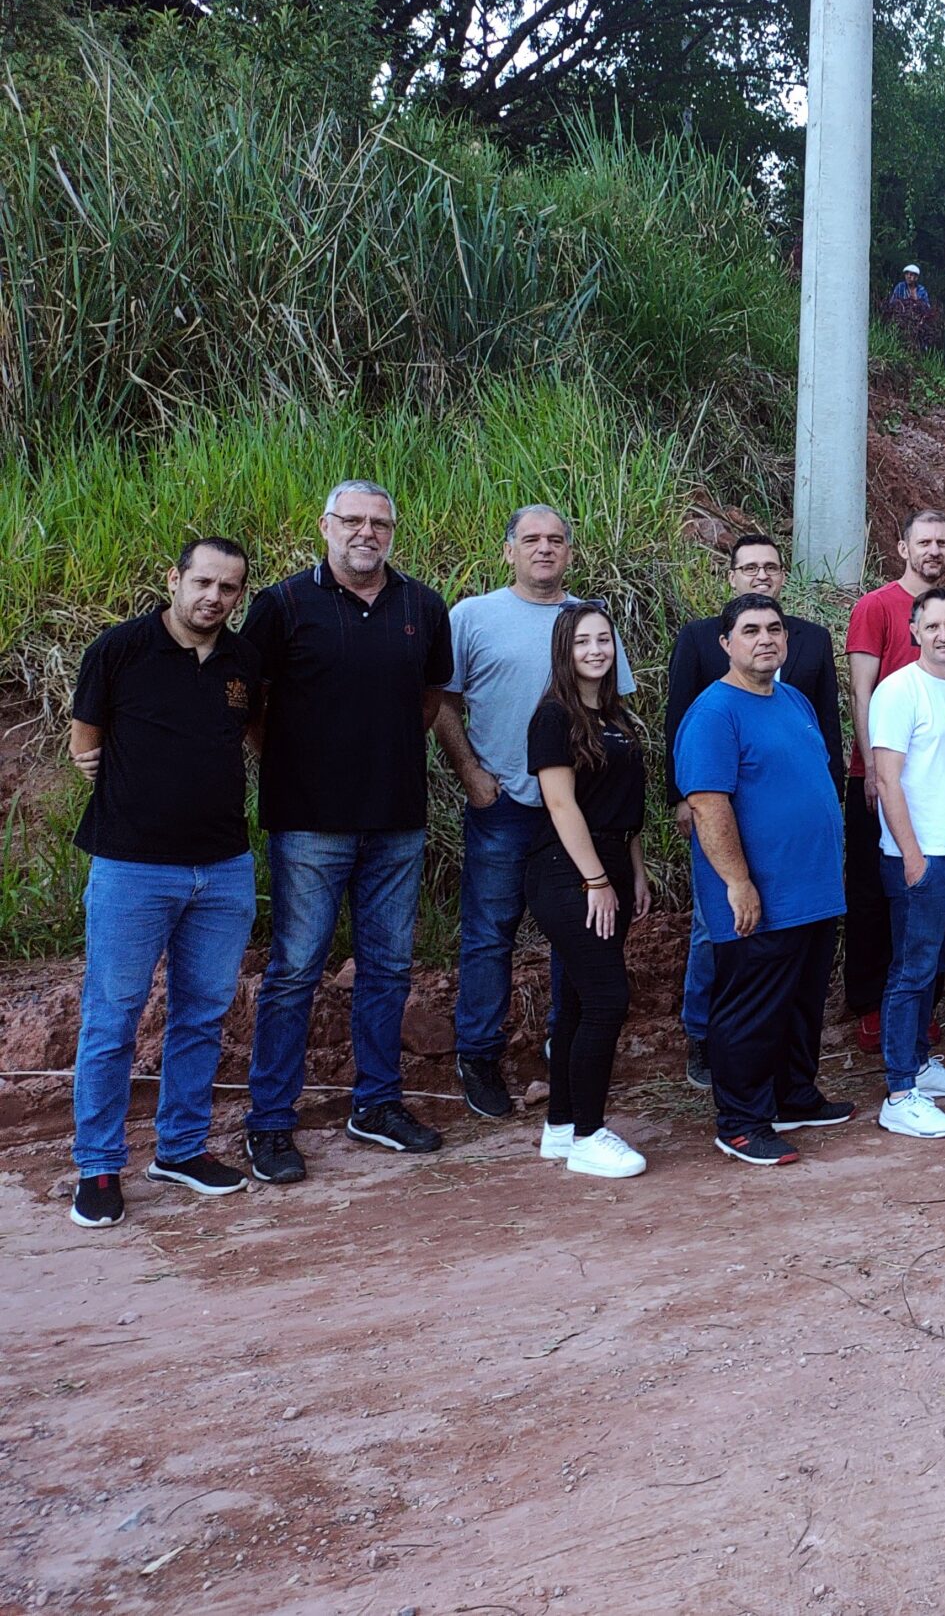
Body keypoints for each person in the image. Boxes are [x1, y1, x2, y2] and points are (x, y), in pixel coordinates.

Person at [242, 480, 453, 1180]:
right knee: (295, 970)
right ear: (326, 526)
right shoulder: (281, 605)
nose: (368, 533)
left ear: (394, 531)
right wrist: (303, 763)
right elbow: (250, 704)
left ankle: (378, 1106)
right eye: (354, 521)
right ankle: (270, 1123)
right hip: (308, 825)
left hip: (397, 820)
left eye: (381, 523)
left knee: (389, 969)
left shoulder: (422, 606)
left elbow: (432, 696)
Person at [65, 538, 260, 1228]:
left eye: (229, 588)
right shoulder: (119, 649)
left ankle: (179, 1148)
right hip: (131, 867)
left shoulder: (243, 663)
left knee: (202, 1015)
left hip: (224, 868)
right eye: (203, 582)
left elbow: (256, 737)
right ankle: (97, 1165)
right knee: (113, 1018)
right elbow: (83, 740)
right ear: (174, 578)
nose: (213, 597)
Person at [435, 503, 635, 1118]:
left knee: (573, 936)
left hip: (578, 814)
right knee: (489, 934)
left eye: (555, 540)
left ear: (569, 552)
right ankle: (479, 1055)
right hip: (505, 806)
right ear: (508, 550)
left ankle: (563, 1046)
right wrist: (471, 773)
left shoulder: (590, 623)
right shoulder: (472, 616)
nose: (544, 549)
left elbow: (617, 712)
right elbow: (441, 703)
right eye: (531, 539)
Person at [676, 594, 851, 1167]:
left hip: (813, 890)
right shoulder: (714, 712)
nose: (766, 639)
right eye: (750, 630)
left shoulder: (793, 698)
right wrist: (737, 882)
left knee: (801, 1004)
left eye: (775, 628)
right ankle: (743, 1122)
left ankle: (794, 1096)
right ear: (726, 644)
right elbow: (706, 803)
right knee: (750, 1010)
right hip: (760, 895)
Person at [526, 606, 651, 1178]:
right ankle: (589, 1134)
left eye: (604, 639)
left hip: (612, 862)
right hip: (567, 870)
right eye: (583, 641)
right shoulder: (553, 717)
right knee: (606, 1000)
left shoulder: (618, 716)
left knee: (578, 1002)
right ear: (564, 649)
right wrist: (595, 880)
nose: (596, 650)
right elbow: (561, 804)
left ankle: (559, 1127)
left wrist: (634, 872)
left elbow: (622, 810)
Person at [871, 588, 945, 1138]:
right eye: (933, 625)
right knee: (911, 971)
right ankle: (899, 1091)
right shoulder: (897, 691)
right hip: (919, 858)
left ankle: (920, 1062)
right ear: (915, 630)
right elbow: (886, 778)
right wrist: (913, 858)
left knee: (936, 965)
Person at [843, 509, 945, 1046]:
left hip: (928, 781)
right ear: (902, 546)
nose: (933, 550)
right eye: (923, 542)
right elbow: (860, 690)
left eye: (941, 542)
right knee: (871, 890)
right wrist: (866, 766)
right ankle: (868, 1004)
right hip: (878, 773)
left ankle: (913, 1003)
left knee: (923, 890)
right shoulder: (876, 606)